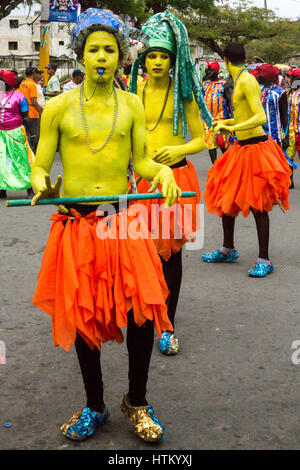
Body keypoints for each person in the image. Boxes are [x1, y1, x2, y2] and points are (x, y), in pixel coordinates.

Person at [30, 8, 181, 443]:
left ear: (120, 56)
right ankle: (94, 404)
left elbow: (144, 160)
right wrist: (41, 181)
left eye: (109, 50)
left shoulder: (130, 105)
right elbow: (40, 165)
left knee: (141, 315)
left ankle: (137, 400)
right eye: (93, 49)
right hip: (75, 225)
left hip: (121, 220)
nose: (102, 57)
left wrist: (163, 173)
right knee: (84, 317)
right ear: (80, 54)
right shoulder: (57, 106)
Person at [129, 11, 211, 354]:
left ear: (172, 59)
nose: (158, 62)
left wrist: (176, 148)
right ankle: (145, 313)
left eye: (164, 56)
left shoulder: (184, 94)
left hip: (177, 180)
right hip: (141, 183)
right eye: (152, 56)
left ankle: (168, 325)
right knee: (140, 251)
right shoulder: (134, 93)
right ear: (143, 60)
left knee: (171, 255)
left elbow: (203, 139)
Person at [201, 43, 291, 278]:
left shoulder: (247, 80)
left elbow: (259, 117)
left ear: (225, 60)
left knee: (257, 204)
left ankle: (264, 259)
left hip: (256, 149)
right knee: (224, 195)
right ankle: (228, 249)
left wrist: (233, 127)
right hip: (240, 147)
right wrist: (224, 124)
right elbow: (243, 116)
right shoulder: (239, 79)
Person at [0, 70, 34, 199]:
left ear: (8, 82)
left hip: (15, 132)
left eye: (2, 81)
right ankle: (2, 190)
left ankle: (29, 190)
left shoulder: (20, 97)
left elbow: (26, 117)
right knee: (2, 161)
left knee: (22, 160)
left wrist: (31, 134)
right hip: (1, 133)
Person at [202, 61, 231, 163]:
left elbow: (229, 100)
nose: (207, 73)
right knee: (210, 145)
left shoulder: (224, 84)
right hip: (207, 120)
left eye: (210, 71)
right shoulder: (204, 84)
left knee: (222, 143)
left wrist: (231, 117)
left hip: (220, 119)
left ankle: (226, 165)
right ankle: (215, 166)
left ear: (215, 71)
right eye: (207, 71)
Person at [19, 66, 43, 153]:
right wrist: (40, 111)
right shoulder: (32, 84)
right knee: (34, 136)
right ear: (34, 74)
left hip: (23, 113)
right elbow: (33, 100)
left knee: (26, 135)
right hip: (32, 114)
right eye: (37, 73)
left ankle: (26, 154)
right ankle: (32, 157)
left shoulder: (22, 83)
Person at [287, 71, 300, 187]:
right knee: (289, 156)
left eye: (293, 78)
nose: (290, 80)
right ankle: (289, 181)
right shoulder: (289, 93)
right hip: (291, 131)